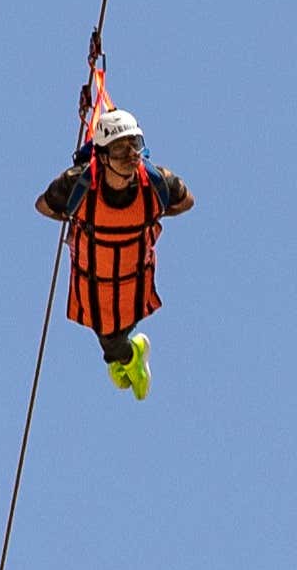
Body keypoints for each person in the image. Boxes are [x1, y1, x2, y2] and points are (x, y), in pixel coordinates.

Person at [34, 108, 193, 399]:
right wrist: (75, 218)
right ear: (104, 156)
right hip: (93, 279)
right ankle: (127, 358)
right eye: (121, 150)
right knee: (105, 330)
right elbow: (44, 205)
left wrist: (153, 214)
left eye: (135, 146)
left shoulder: (156, 182)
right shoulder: (76, 183)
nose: (131, 156)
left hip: (133, 279)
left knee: (111, 335)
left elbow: (186, 200)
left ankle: (126, 357)